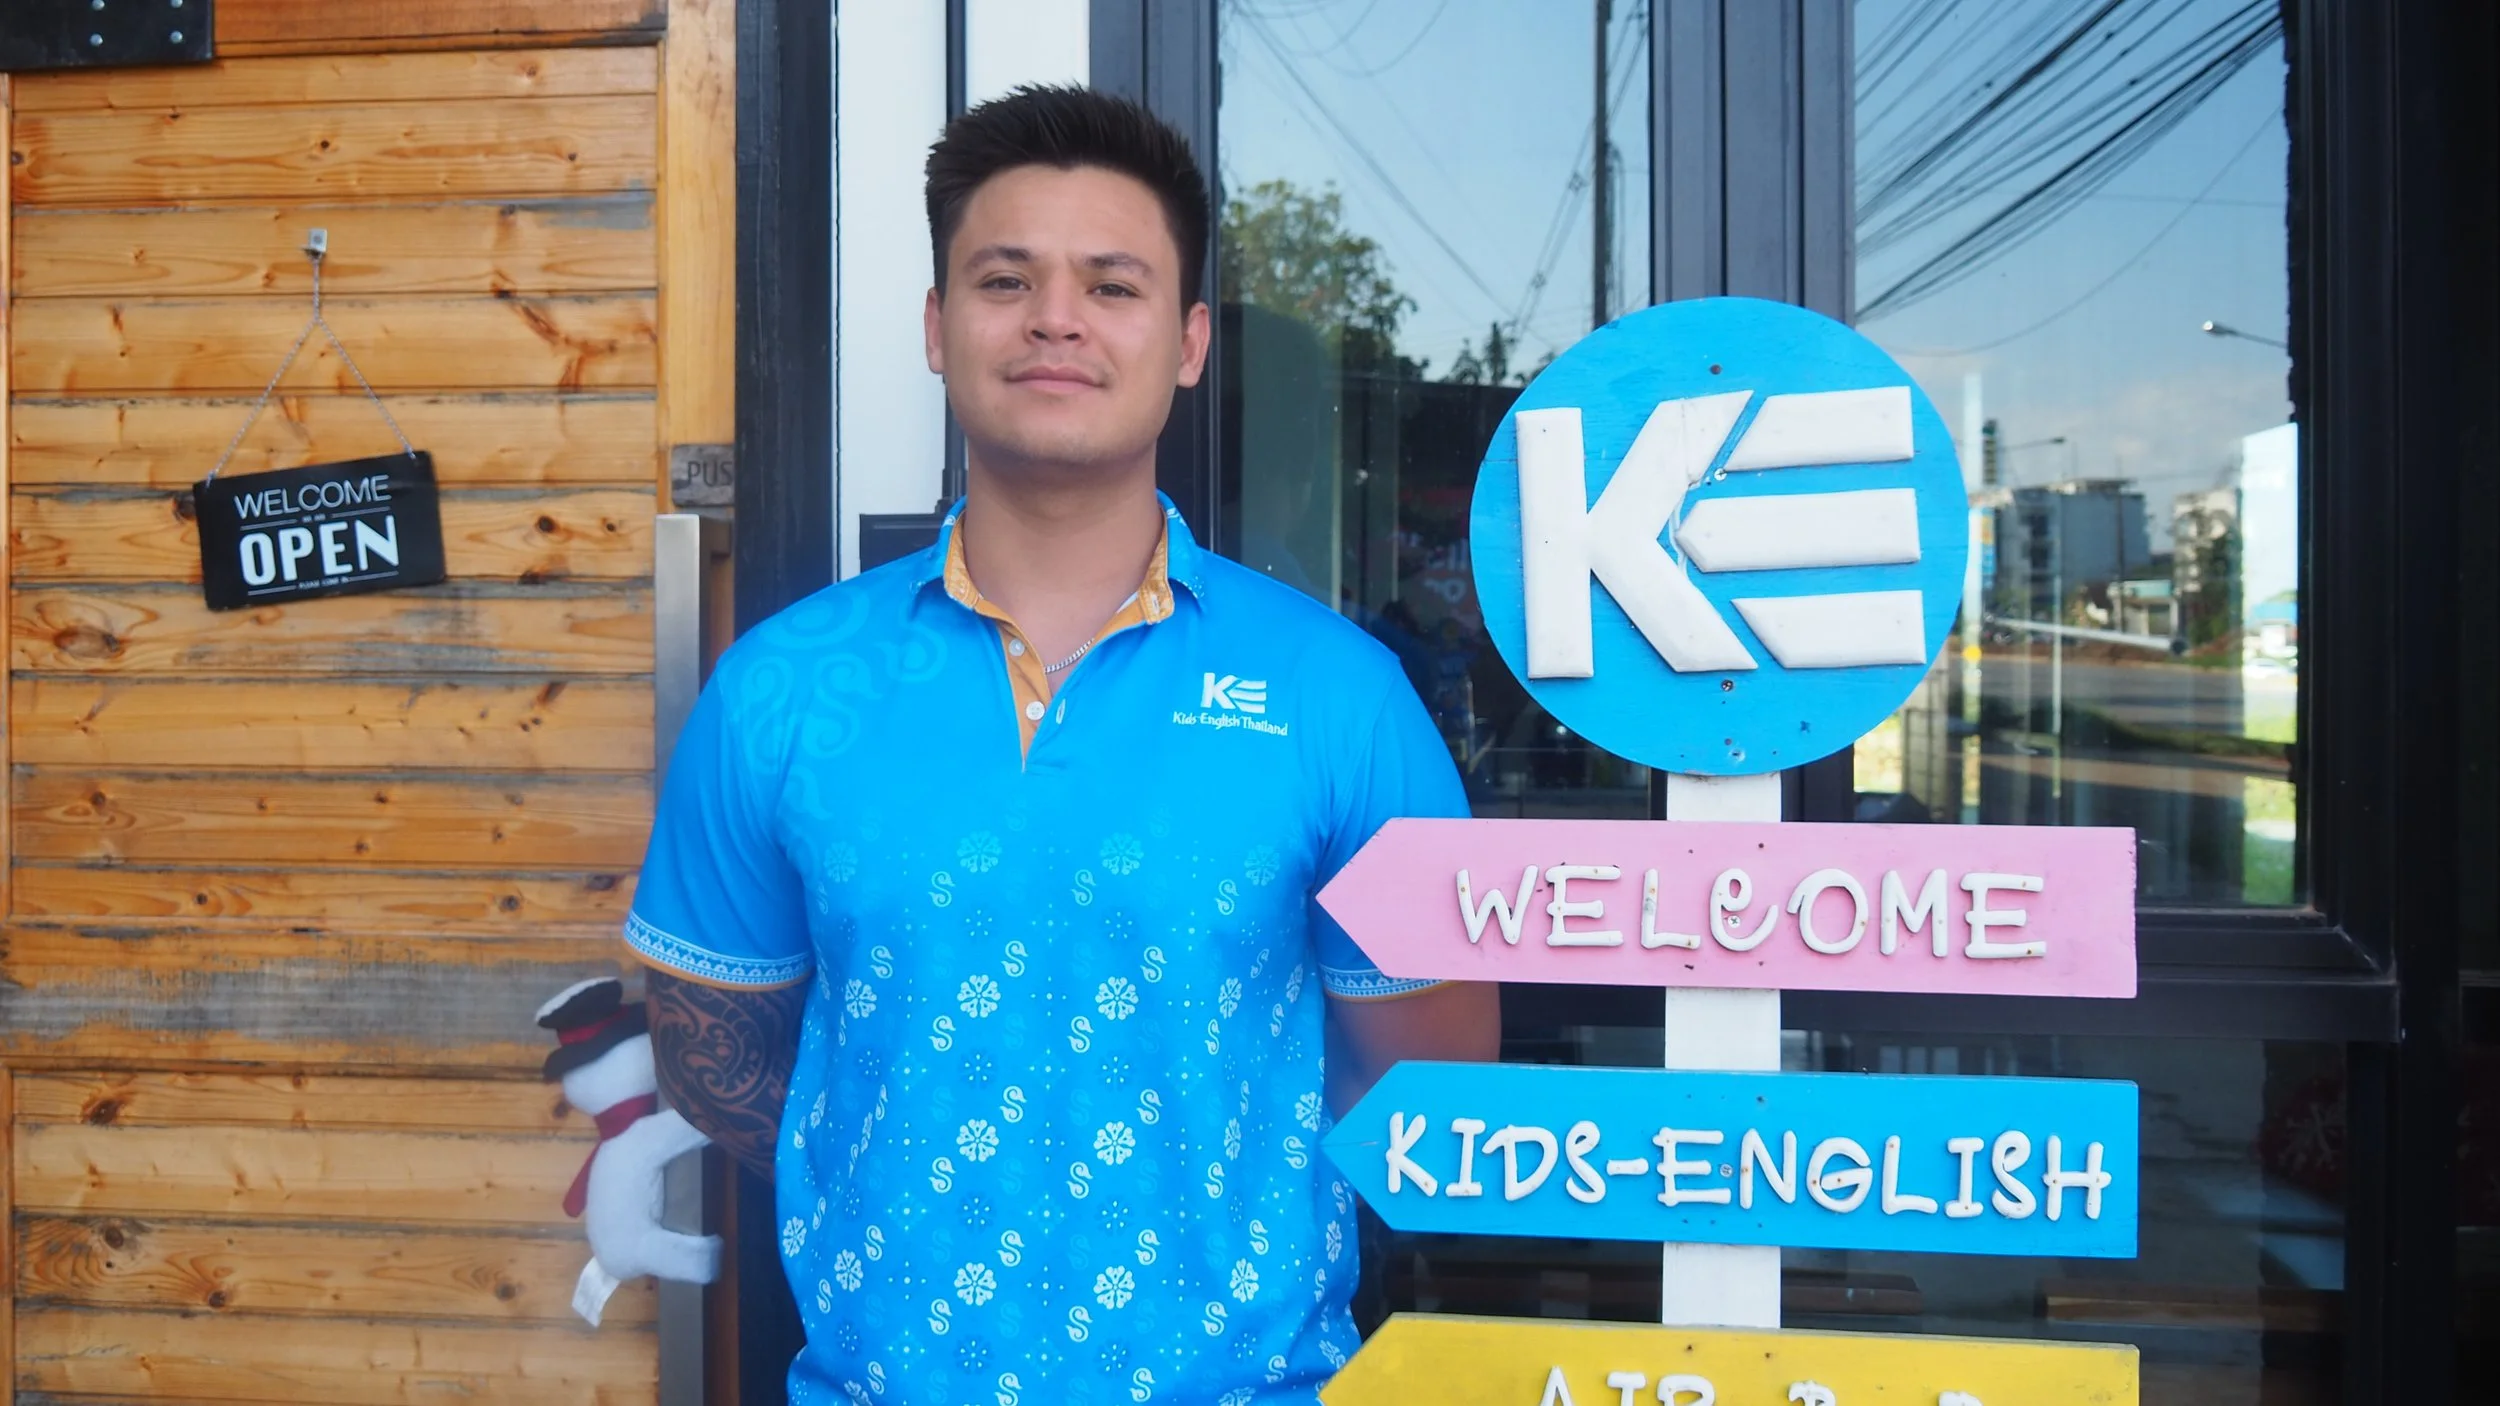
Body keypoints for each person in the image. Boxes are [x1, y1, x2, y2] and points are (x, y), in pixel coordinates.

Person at [628, 84, 1500, 1404]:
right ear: (936, 326)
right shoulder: (784, 689)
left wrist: (1210, 1186)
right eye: (1004, 278)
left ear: (1191, 340)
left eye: (1113, 284)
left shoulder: (1337, 694)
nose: (1056, 320)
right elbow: (713, 1044)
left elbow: (1431, 1076)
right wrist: (897, 1160)